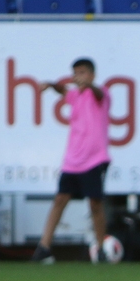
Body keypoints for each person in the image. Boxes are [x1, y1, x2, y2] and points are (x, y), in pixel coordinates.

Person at [31, 58, 110, 264]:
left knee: (95, 203)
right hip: (73, 160)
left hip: (94, 158)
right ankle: (44, 246)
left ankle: (100, 249)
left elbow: (99, 93)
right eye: (76, 73)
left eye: (83, 72)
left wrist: (89, 85)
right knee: (60, 200)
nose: (78, 77)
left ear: (92, 75)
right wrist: (50, 85)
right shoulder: (75, 95)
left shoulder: (99, 94)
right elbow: (63, 91)